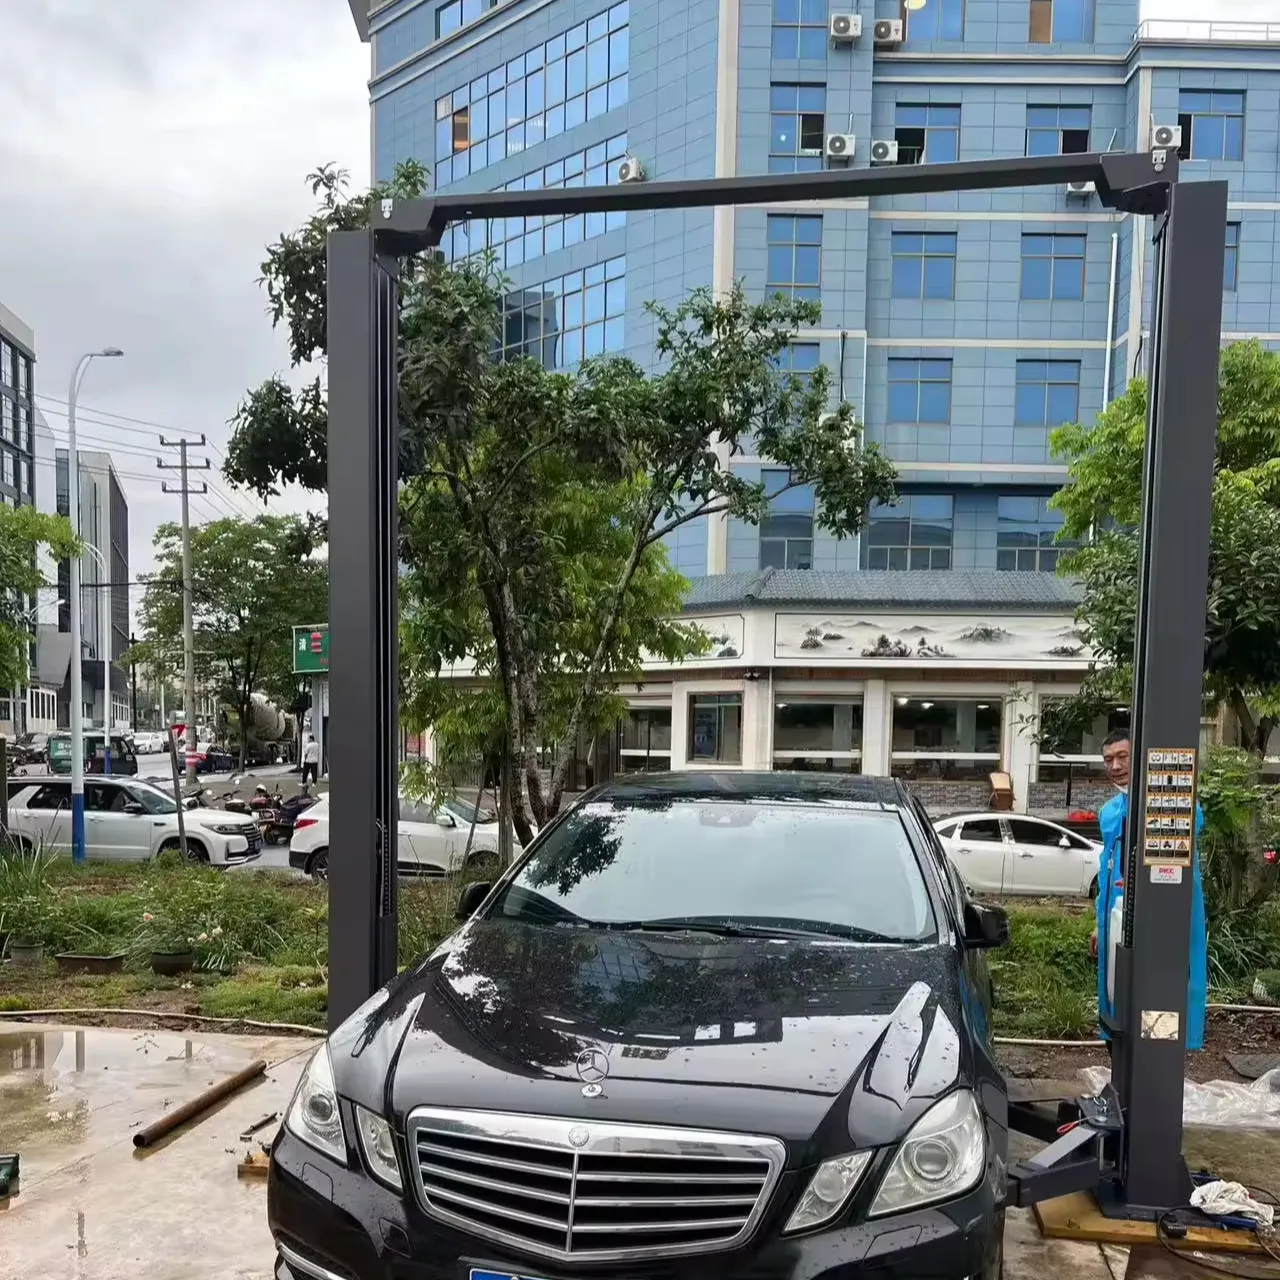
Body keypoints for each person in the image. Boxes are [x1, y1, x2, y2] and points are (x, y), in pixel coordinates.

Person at [1091, 728, 1208, 1050]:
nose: (1114, 766)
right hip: (1117, 920)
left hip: (1160, 922)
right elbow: (1108, 873)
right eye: (1108, 759)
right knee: (1118, 995)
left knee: (1159, 998)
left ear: (1140, 759)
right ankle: (1122, 1058)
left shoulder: (1171, 805)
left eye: (1122, 757)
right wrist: (1099, 925)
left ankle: (1158, 1061)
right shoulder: (1110, 813)